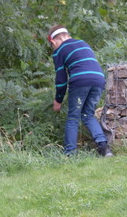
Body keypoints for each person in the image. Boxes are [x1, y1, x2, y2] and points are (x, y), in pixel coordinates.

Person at [47, 25, 113, 157]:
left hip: (80, 81)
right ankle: (104, 148)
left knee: (73, 117)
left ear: (53, 41)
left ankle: (70, 153)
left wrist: (58, 99)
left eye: (51, 46)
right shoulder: (82, 43)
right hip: (99, 79)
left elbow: (61, 78)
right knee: (87, 114)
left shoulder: (59, 51)